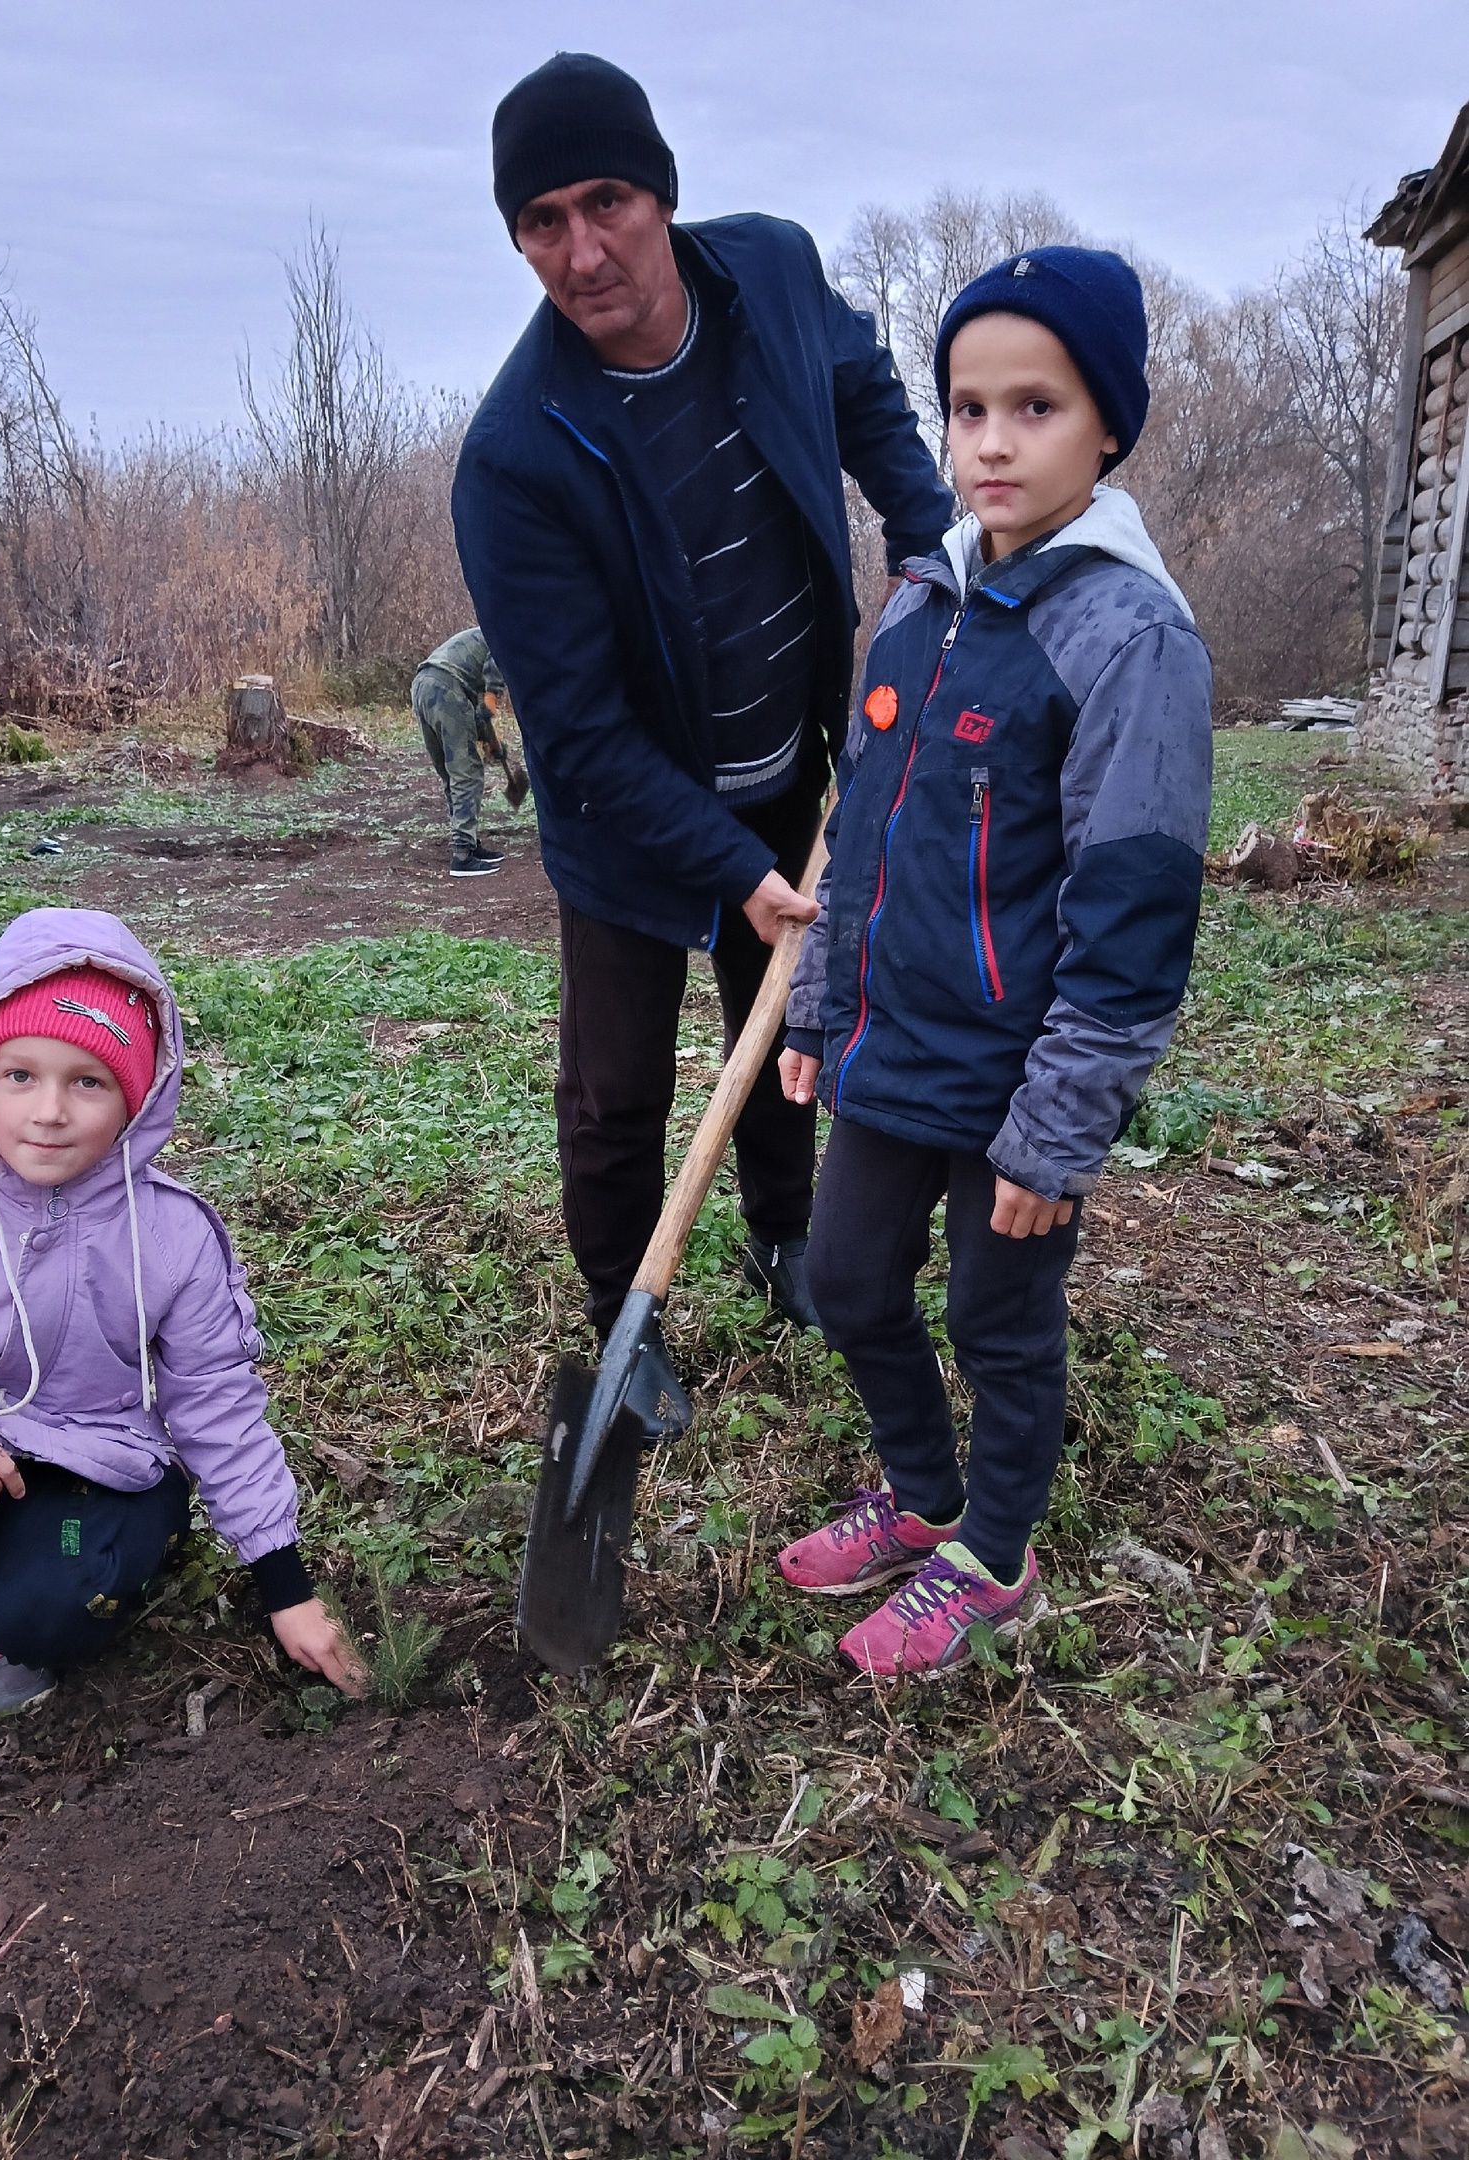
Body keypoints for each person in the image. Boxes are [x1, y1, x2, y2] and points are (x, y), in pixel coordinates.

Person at [453, 53, 954, 1402]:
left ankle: (782, 1239)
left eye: (605, 199)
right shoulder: (515, 458)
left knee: (782, 1019)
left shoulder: (772, 278)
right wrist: (730, 872)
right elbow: (577, 734)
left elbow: (863, 395)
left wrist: (929, 550)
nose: (582, 246)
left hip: (786, 757)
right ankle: (628, 1320)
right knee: (614, 1089)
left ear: (660, 194)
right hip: (630, 818)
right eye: (541, 221)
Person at [776, 247, 1213, 1679]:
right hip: (892, 1050)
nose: (991, 442)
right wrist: (820, 1010)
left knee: (995, 1318)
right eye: (967, 408)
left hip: (1020, 1080)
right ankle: (919, 1491)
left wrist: (1059, 1130)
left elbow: (1134, 912)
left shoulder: (1127, 635)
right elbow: (856, 843)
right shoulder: (916, 599)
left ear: (1105, 427)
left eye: (1034, 407)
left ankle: (993, 1552)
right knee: (845, 1282)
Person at [0, 907, 367, 1716]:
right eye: (20, 1075)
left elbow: (216, 1405)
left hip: (92, 1467)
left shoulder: (174, 1234)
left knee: (49, 1614)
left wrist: (284, 1585)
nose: (49, 1112)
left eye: (87, 1081)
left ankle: (61, 1570)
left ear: (137, 1098)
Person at [412, 625, 509, 878]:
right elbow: (490, 686)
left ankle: (468, 841)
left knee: (451, 773)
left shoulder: (484, 633)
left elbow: (475, 716)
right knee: (467, 773)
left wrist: (493, 743)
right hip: (446, 690)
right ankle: (463, 854)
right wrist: (492, 700)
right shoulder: (507, 632)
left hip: (423, 686)